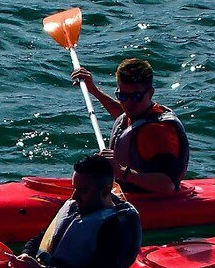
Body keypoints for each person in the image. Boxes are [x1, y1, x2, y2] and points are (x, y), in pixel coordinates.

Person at [4, 155, 142, 268]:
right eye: (74, 188)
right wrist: (26, 255)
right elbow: (40, 239)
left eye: (83, 190)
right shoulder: (75, 206)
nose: (74, 196)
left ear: (106, 190)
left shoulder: (117, 226)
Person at [71, 58, 189, 194]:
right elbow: (126, 121)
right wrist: (93, 90)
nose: (128, 104)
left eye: (136, 97)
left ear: (150, 93)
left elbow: (168, 185)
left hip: (151, 201)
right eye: (122, 96)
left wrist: (121, 171)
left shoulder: (158, 131)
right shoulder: (137, 113)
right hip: (125, 192)